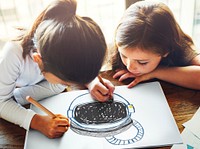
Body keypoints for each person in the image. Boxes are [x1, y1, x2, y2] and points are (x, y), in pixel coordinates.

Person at [0, 0, 114, 139]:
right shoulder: (13, 54)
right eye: (67, 82)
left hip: (22, 92)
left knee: (57, 86)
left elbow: (77, 60)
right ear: (38, 60)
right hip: (6, 92)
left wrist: (91, 82)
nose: (70, 85)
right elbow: (1, 102)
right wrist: (37, 121)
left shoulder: (72, 36)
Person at [112, 0, 200, 90]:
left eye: (142, 62)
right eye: (123, 55)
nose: (130, 67)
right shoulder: (120, 45)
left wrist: (156, 72)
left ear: (166, 51)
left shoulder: (181, 46)